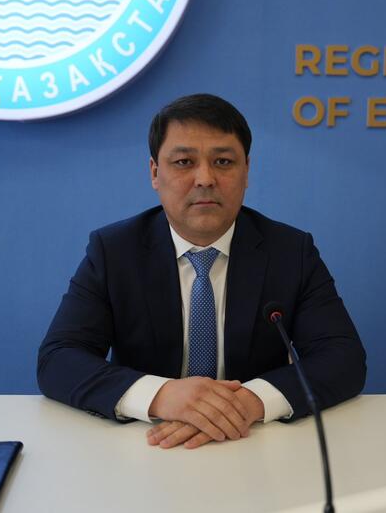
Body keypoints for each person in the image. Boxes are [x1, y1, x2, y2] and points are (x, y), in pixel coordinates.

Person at [37, 94, 366, 449]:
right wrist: (161, 395)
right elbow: (59, 358)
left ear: (246, 171)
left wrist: (250, 402)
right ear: (155, 173)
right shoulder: (114, 251)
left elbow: (343, 358)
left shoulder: (290, 251)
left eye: (223, 161)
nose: (205, 178)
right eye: (184, 162)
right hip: (146, 443)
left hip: (254, 442)